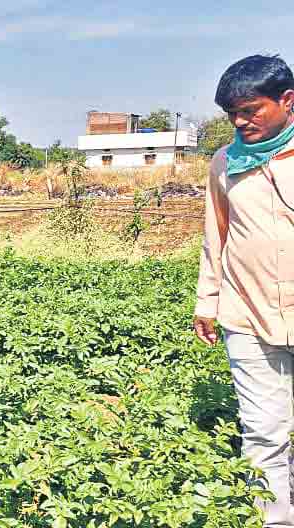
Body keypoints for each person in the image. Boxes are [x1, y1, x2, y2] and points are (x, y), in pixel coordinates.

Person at [194, 54, 294, 526]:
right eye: (232, 112)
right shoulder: (225, 163)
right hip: (248, 313)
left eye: (251, 109)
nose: (240, 121)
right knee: (262, 432)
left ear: (286, 101)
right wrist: (207, 301)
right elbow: (217, 235)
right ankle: (275, 521)